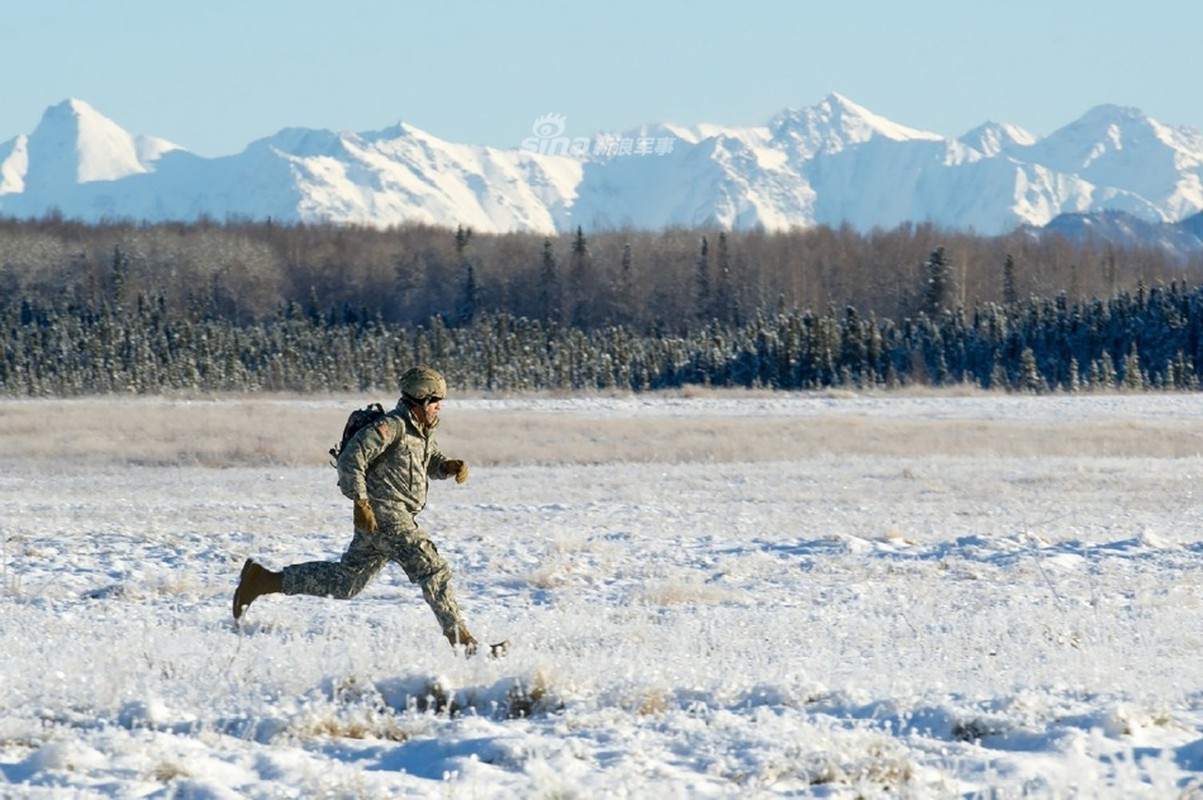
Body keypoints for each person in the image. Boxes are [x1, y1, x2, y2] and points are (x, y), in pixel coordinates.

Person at [232, 365, 489, 655]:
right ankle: (463, 642)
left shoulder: (420, 432)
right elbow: (351, 459)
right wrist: (361, 502)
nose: (439, 408)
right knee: (433, 569)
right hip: (386, 516)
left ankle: (263, 580)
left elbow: (426, 461)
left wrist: (446, 466)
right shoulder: (391, 427)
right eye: (436, 402)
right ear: (421, 401)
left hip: (384, 520)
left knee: (346, 582)